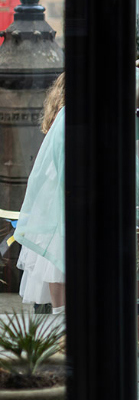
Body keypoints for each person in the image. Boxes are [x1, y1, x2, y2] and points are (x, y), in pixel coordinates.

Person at [15, 73, 67, 313]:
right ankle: (62, 313)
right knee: (59, 249)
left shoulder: (58, 115)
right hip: (60, 187)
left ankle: (59, 313)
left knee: (53, 254)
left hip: (48, 191)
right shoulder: (70, 118)